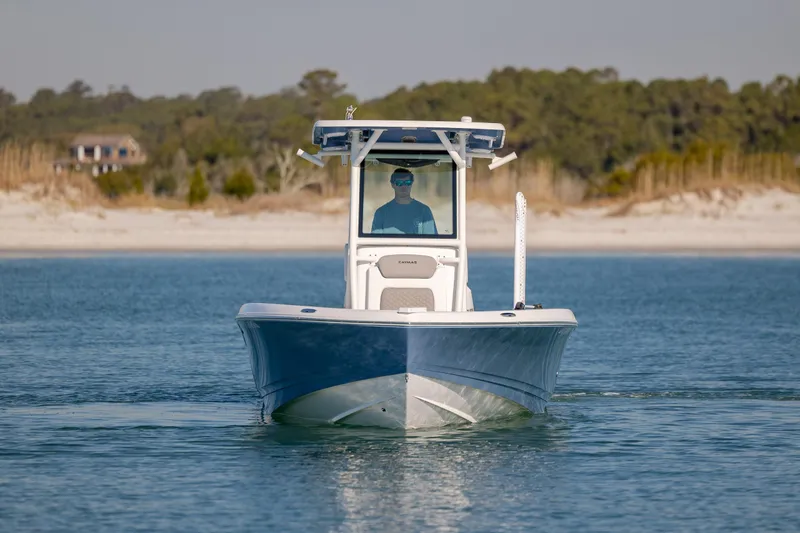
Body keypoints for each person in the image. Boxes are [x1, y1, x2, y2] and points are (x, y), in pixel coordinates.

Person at [371, 168, 438, 235]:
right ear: (392, 184)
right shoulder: (381, 213)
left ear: (411, 184)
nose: (404, 186)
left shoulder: (424, 211)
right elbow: (374, 242)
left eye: (407, 182)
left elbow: (432, 242)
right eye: (399, 183)